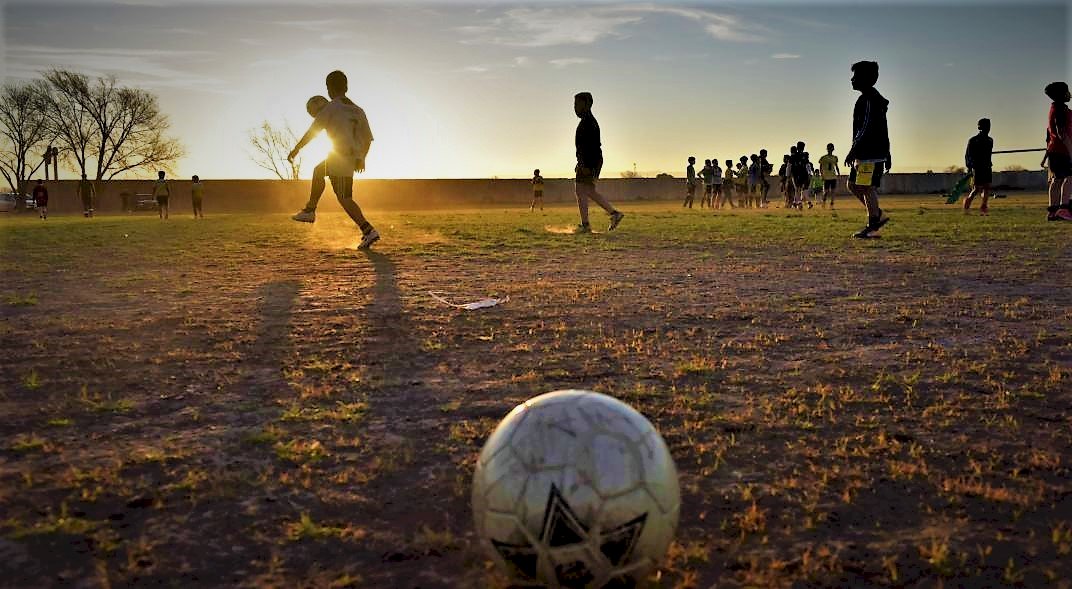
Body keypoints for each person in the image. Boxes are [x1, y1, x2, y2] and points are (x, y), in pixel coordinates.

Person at [289, 71, 380, 249]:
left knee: (336, 190)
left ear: (329, 89)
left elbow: (312, 132)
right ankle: (368, 230)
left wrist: (296, 149)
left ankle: (310, 210)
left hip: (339, 156)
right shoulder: (359, 110)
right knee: (344, 196)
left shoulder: (331, 107)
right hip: (350, 158)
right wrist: (362, 158)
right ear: (346, 87)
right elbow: (368, 139)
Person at [845, 60, 892, 238]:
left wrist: (853, 149)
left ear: (866, 79)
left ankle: (873, 225)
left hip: (870, 153)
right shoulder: (871, 99)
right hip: (871, 152)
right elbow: (884, 129)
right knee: (853, 185)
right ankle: (877, 214)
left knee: (866, 187)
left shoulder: (869, 100)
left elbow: (865, 127)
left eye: (855, 76)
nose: (852, 80)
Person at [571, 92, 624, 232]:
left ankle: (586, 225)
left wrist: (584, 164)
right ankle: (612, 214)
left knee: (581, 189)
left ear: (587, 105)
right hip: (592, 160)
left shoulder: (588, 123)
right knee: (587, 190)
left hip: (590, 160)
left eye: (578, 104)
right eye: (574, 105)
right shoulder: (588, 122)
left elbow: (587, 147)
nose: (575, 108)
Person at [1043, 82, 1072, 221]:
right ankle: (1064, 208)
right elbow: (1062, 133)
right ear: (1061, 95)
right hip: (1063, 150)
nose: (1069, 93)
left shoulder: (1055, 108)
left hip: (1054, 150)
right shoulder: (1060, 110)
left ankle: (1052, 211)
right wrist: (1071, 152)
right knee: (1070, 178)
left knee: (1056, 180)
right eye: (1067, 91)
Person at [963, 118, 994, 216]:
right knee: (976, 189)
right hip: (977, 167)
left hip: (987, 166)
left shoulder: (990, 140)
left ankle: (983, 207)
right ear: (980, 127)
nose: (987, 128)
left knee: (987, 187)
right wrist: (970, 167)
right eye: (986, 126)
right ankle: (966, 205)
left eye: (988, 126)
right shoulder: (973, 140)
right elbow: (968, 155)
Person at [818, 143, 840, 208]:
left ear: (833, 149)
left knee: (833, 191)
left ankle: (832, 204)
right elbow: (820, 167)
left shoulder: (835, 157)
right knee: (826, 192)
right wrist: (821, 175)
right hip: (826, 177)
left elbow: (836, 166)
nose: (830, 149)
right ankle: (824, 201)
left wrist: (838, 174)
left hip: (833, 176)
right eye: (829, 148)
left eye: (831, 148)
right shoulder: (823, 158)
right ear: (827, 149)